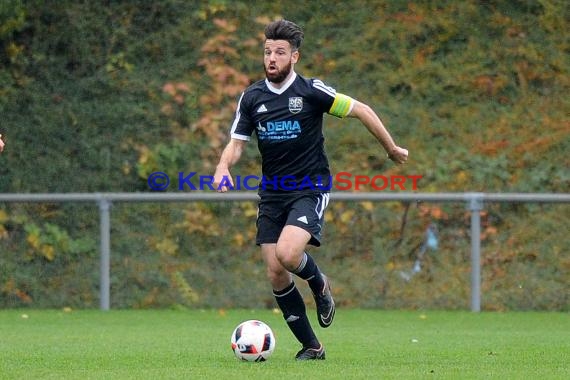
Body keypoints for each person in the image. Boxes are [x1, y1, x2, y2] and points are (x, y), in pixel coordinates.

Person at [213, 19, 408, 360]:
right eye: (267, 52)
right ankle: (312, 347)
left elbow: (361, 110)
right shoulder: (252, 97)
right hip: (273, 192)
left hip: (310, 186)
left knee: (289, 255)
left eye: (280, 52)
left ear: (295, 57)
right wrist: (223, 165)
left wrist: (391, 149)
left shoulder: (311, 91)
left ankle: (319, 283)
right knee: (275, 271)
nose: (271, 58)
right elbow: (237, 143)